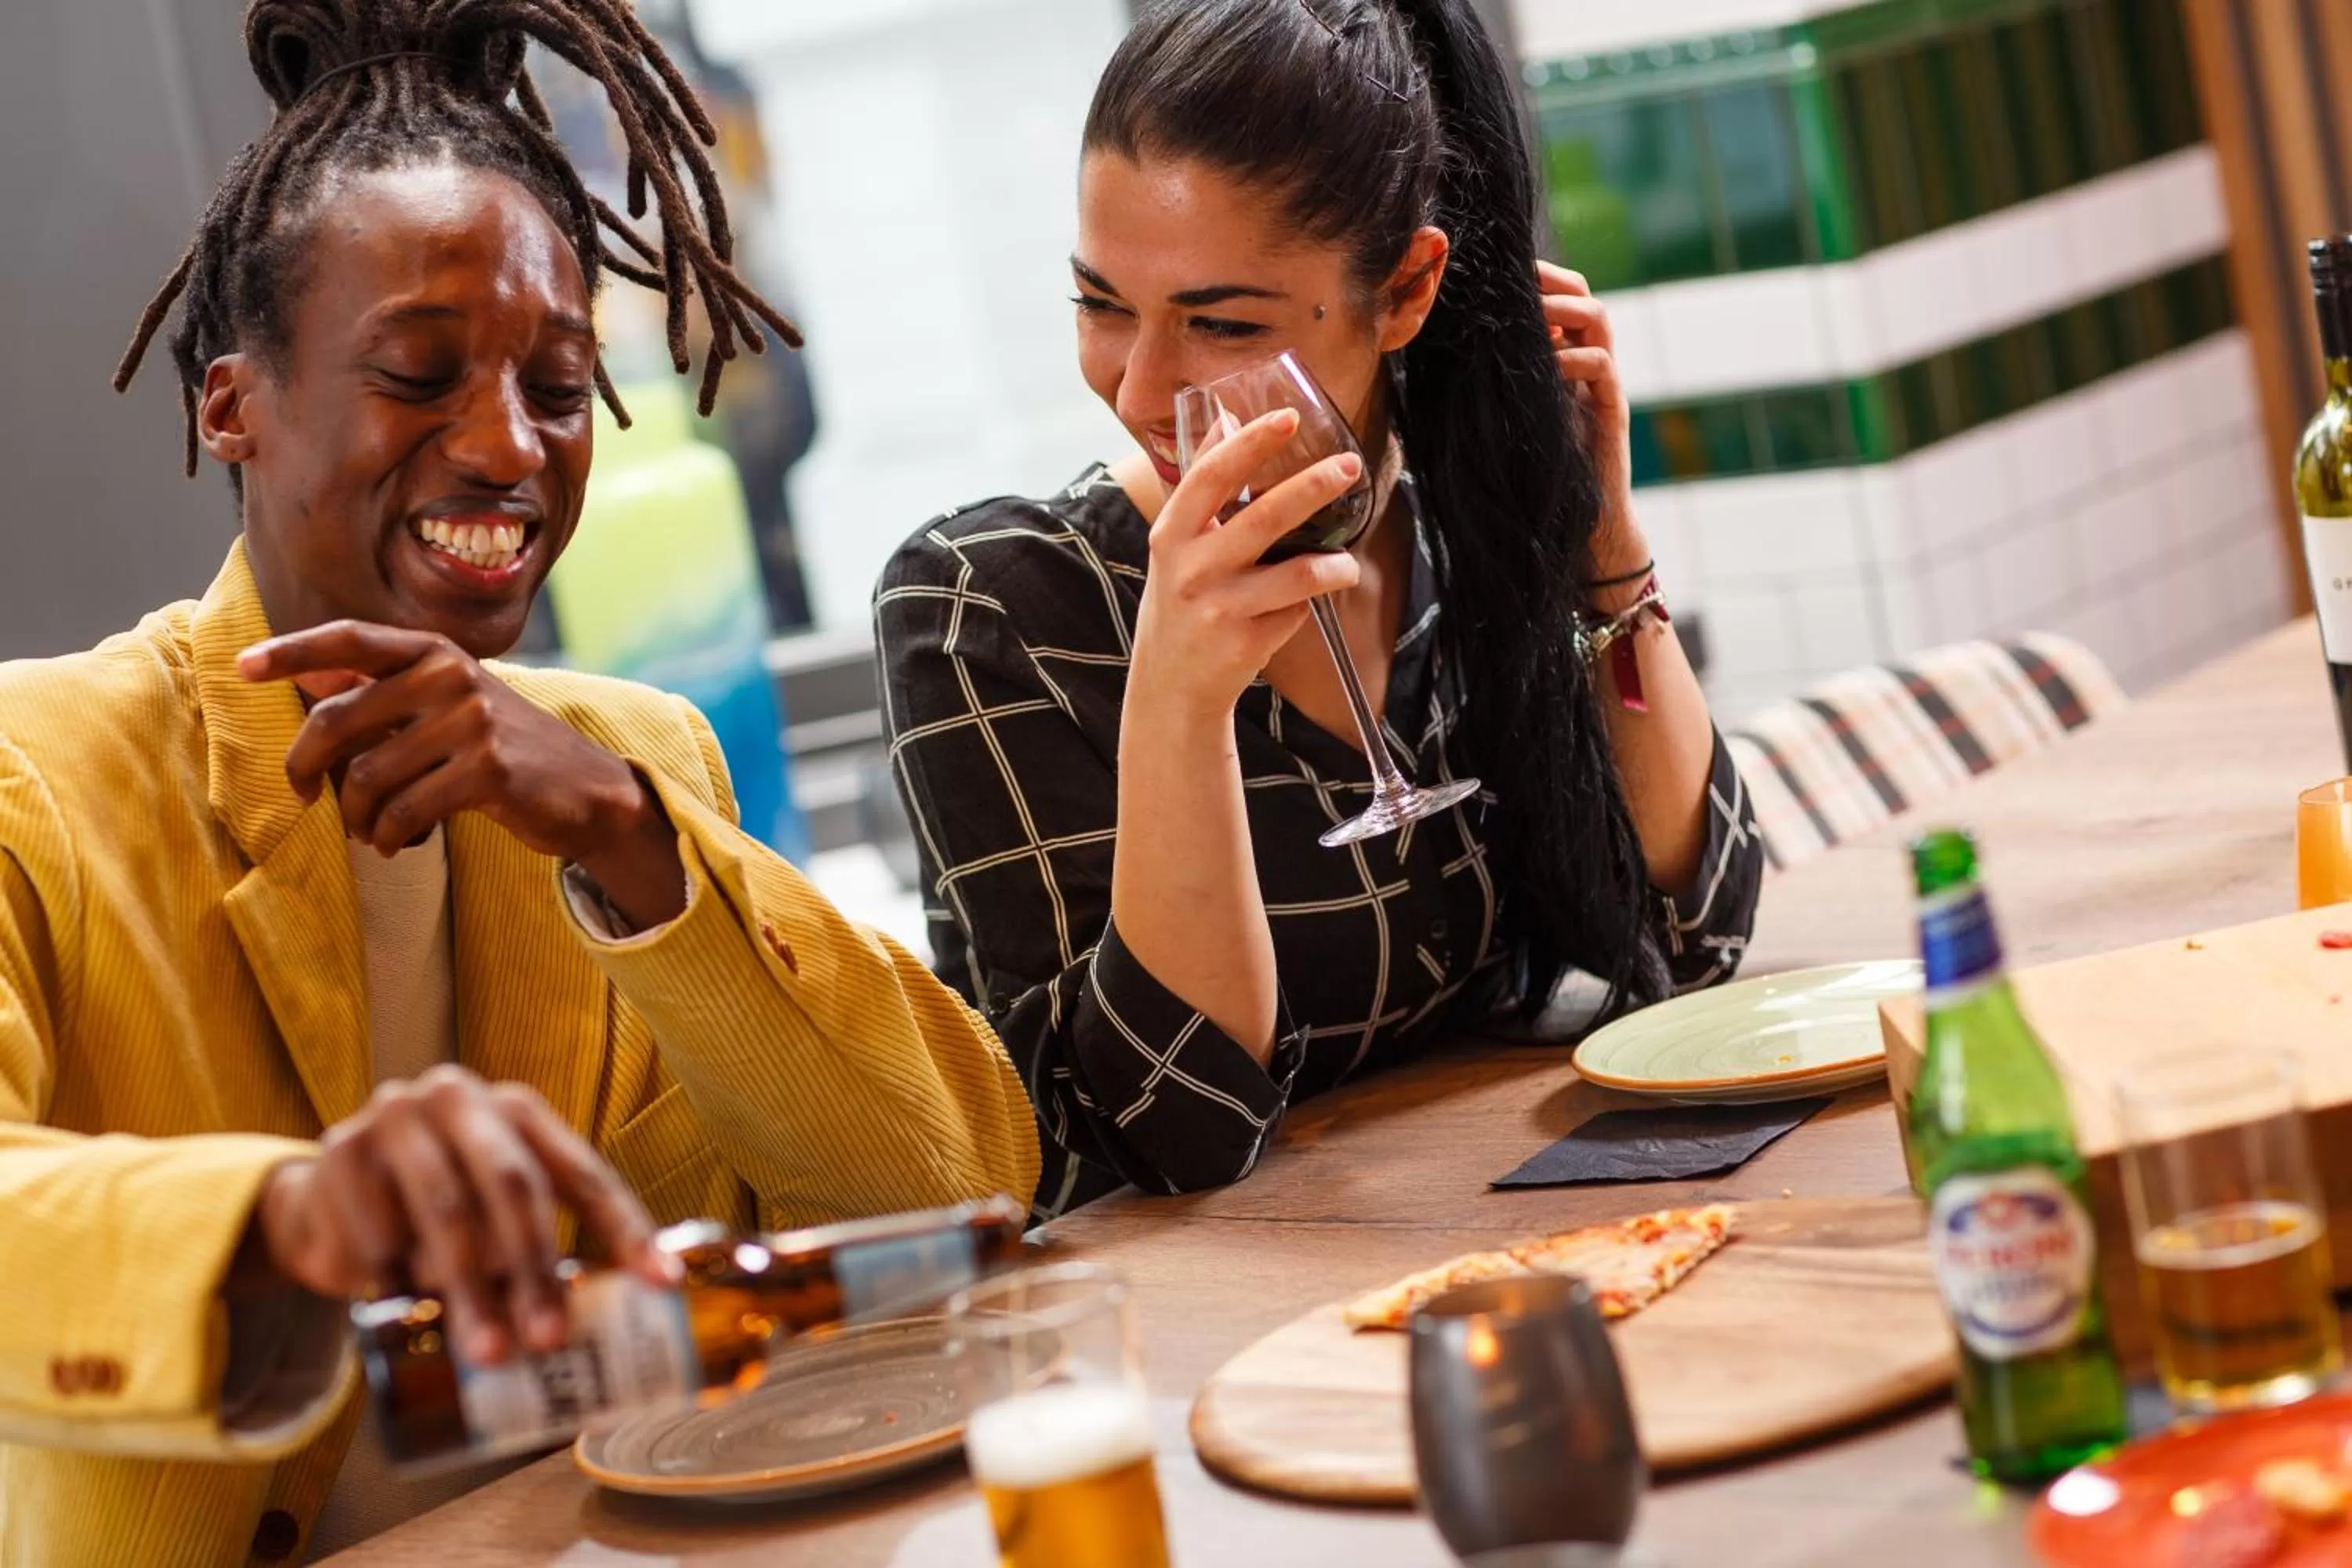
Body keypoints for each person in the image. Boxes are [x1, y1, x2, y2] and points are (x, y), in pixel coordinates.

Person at [0, 2, 1037, 1563]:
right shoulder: (37, 776)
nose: (506, 447)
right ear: (232, 406)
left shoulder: (640, 764)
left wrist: (629, 840)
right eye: (420, 375)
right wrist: (286, 1224)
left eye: (557, 390)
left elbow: (956, 1190)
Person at [878, 0, 1762, 1219]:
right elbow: (1177, 1129)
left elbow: (1701, 927)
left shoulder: (1468, 530)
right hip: (1185, 1336)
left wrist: (1598, 537)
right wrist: (1180, 704)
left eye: (1220, 323)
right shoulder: (992, 604)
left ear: (1406, 292)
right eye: (1101, 304)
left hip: (1492, 1233)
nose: (1138, 388)